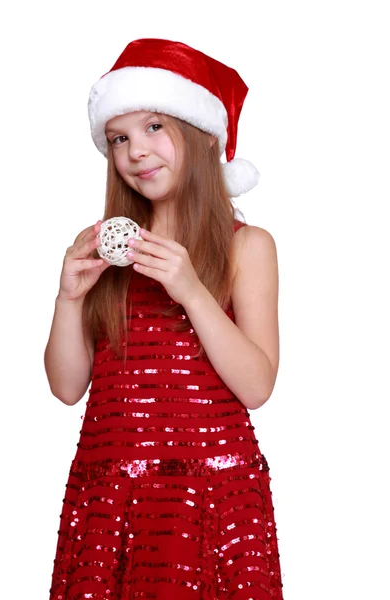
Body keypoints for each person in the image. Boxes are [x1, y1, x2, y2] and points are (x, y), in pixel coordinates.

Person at [45, 38, 283, 600]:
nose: (135, 152)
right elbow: (65, 387)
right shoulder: (103, 250)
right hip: (111, 498)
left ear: (203, 137)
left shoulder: (246, 248)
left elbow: (257, 386)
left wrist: (193, 292)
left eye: (154, 127)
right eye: (119, 138)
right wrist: (68, 297)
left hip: (212, 496)